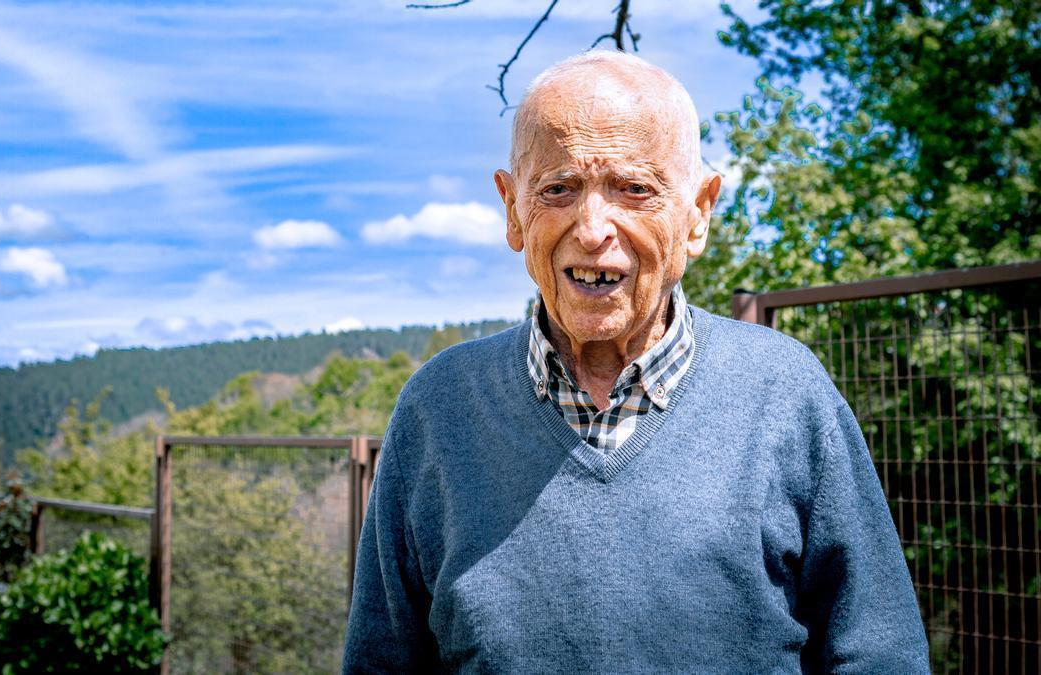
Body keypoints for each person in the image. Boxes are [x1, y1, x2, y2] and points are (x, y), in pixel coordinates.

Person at [342, 50, 929, 673]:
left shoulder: (786, 392)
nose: (593, 228)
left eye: (635, 189)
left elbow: (879, 653)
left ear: (698, 213)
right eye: (559, 189)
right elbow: (382, 660)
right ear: (513, 209)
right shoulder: (440, 407)